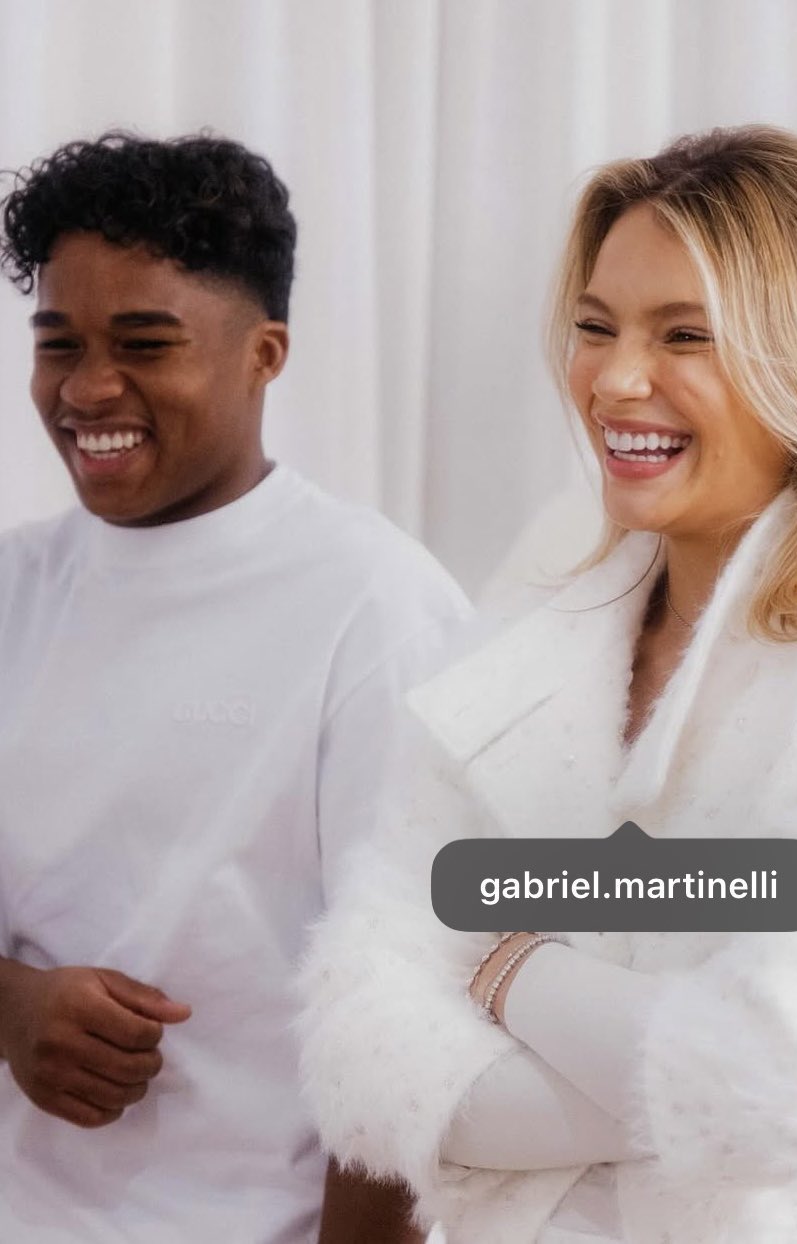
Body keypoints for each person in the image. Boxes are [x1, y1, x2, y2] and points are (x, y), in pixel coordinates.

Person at [299, 126, 797, 1243]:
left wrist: (506, 960)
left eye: (686, 335)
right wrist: (732, 1058)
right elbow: (362, 1051)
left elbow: (774, 1078)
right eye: (596, 326)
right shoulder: (535, 626)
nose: (614, 378)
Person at [0, 133, 464, 1243]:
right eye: (58, 344)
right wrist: (9, 1005)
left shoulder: (379, 610)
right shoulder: (15, 587)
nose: (87, 388)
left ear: (264, 354)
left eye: (144, 344)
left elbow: (415, 1021)